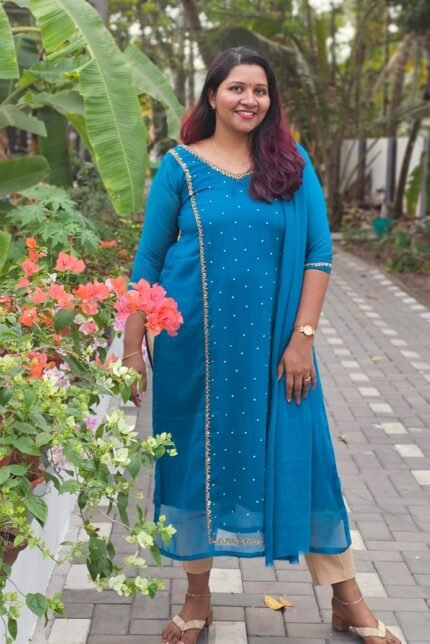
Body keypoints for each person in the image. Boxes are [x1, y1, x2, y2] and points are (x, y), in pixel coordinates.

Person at [123, 47, 400, 644]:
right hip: (193, 351)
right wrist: (129, 350)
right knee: (192, 465)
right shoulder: (180, 167)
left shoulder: (291, 165)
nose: (249, 99)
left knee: (308, 461)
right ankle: (197, 600)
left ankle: (348, 600)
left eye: (260, 90)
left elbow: (318, 254)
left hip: (277, 352)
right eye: (237, 88)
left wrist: (303, 340)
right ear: (213, 95)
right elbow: (148, 260)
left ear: (270, 100)